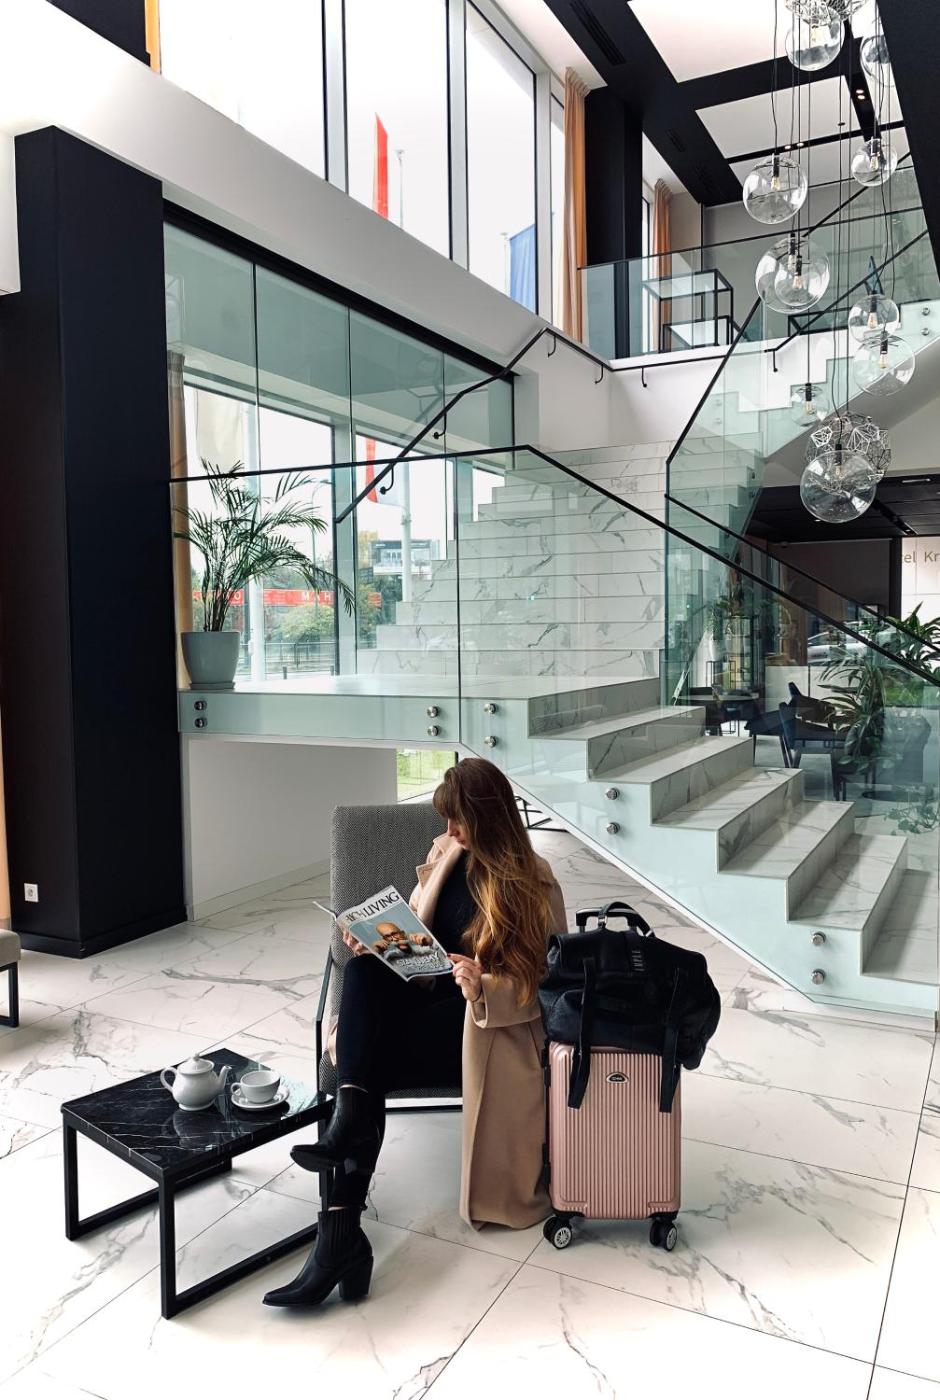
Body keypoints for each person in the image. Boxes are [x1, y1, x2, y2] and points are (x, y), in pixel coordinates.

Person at [262, 757, 567, 1308]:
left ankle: (339, 1234)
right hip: (425, 997)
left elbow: (546, 986)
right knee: (362, 972)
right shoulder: (446, 853)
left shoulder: (533, 881)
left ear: (488, 817)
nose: (448, 830)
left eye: (458, 820)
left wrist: (481, 984)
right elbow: (418, 940)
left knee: (365, 1061)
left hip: (478, 1027)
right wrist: (379, 942)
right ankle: (342, 1207)